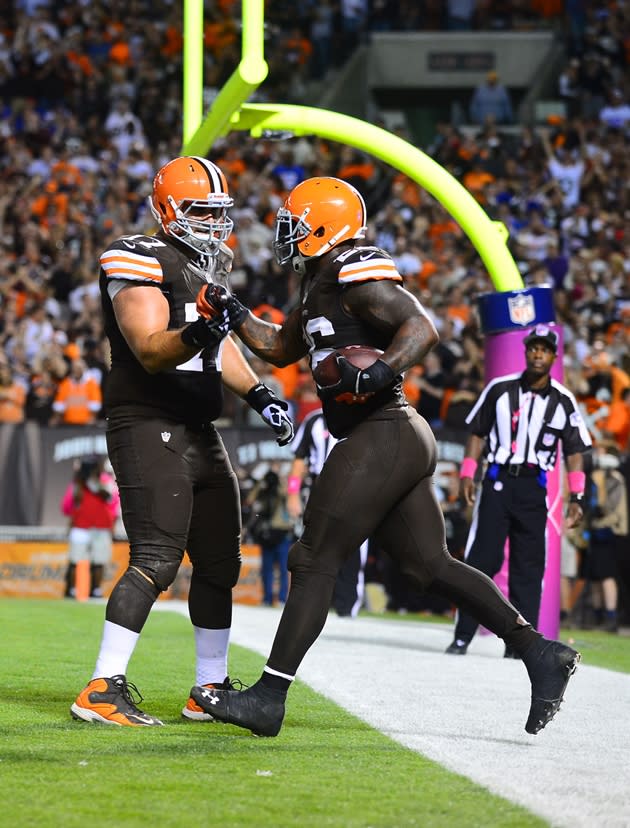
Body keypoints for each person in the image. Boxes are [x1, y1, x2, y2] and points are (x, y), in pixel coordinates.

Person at [190, 176, 581, 738]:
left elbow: (423, 327)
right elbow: (278, 347)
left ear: (326, 226)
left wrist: (376, 371)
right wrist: (232, 309)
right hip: (388, 436)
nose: (288, 234)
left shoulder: (354, 270)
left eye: (297, 225)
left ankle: (269, 696)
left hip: (383, 430)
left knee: (313, 558)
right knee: (429, 566)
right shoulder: (319, 286)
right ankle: (540, 653)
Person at [70, 156, 294, 727]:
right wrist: (200, 326)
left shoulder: (206, 269)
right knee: (156, 558)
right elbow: (149, 346)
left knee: (221, 563)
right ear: (168, 209)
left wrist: (261, 394)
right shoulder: (139, 257)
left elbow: (218, 354)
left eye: (218, 213)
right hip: (148, 420)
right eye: (200, 210)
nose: (213, 223)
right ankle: (101, 686)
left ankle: (208, 690)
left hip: (198, 427)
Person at [445, 325, 592, 657]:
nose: (538, 353)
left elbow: (576, 451)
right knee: (482, 561)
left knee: (529, 568)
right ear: (526, 352)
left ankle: (520, 646)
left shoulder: (562, 400)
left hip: (533, 488)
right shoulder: (500, 389)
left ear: (554, 356)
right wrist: (469, 472)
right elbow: (477, 431)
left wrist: (577, 496)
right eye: (533, 348)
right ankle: (462, 636)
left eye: (545, 349)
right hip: (497, 481)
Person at [287, 406, 368, 617]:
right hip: (320, 488)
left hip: (356, 490)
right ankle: (312, 605)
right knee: (316, 548)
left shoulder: (363, 416)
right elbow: (299, 458)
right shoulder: (314, 420)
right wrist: (292, 493)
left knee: (353, 550)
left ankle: (347, 608)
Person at [61, 456, 120, 599]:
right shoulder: (77, 484)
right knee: (75, 560)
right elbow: (67, 506)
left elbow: (112, 501)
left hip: (100, 527)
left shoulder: (105, 481)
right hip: (81, 526)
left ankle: (95, 590)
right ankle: (70, 590)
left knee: (98, 561)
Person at [247, 465, 294, 607]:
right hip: (266, 534)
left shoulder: (281, 489)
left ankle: (281, 599)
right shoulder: (264, 490)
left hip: (281, 533)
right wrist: (262, 482)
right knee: (266, 569)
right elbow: (250, 500)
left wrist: (280, 481)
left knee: (283, 569)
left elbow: (288, 494)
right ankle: (267, 599)